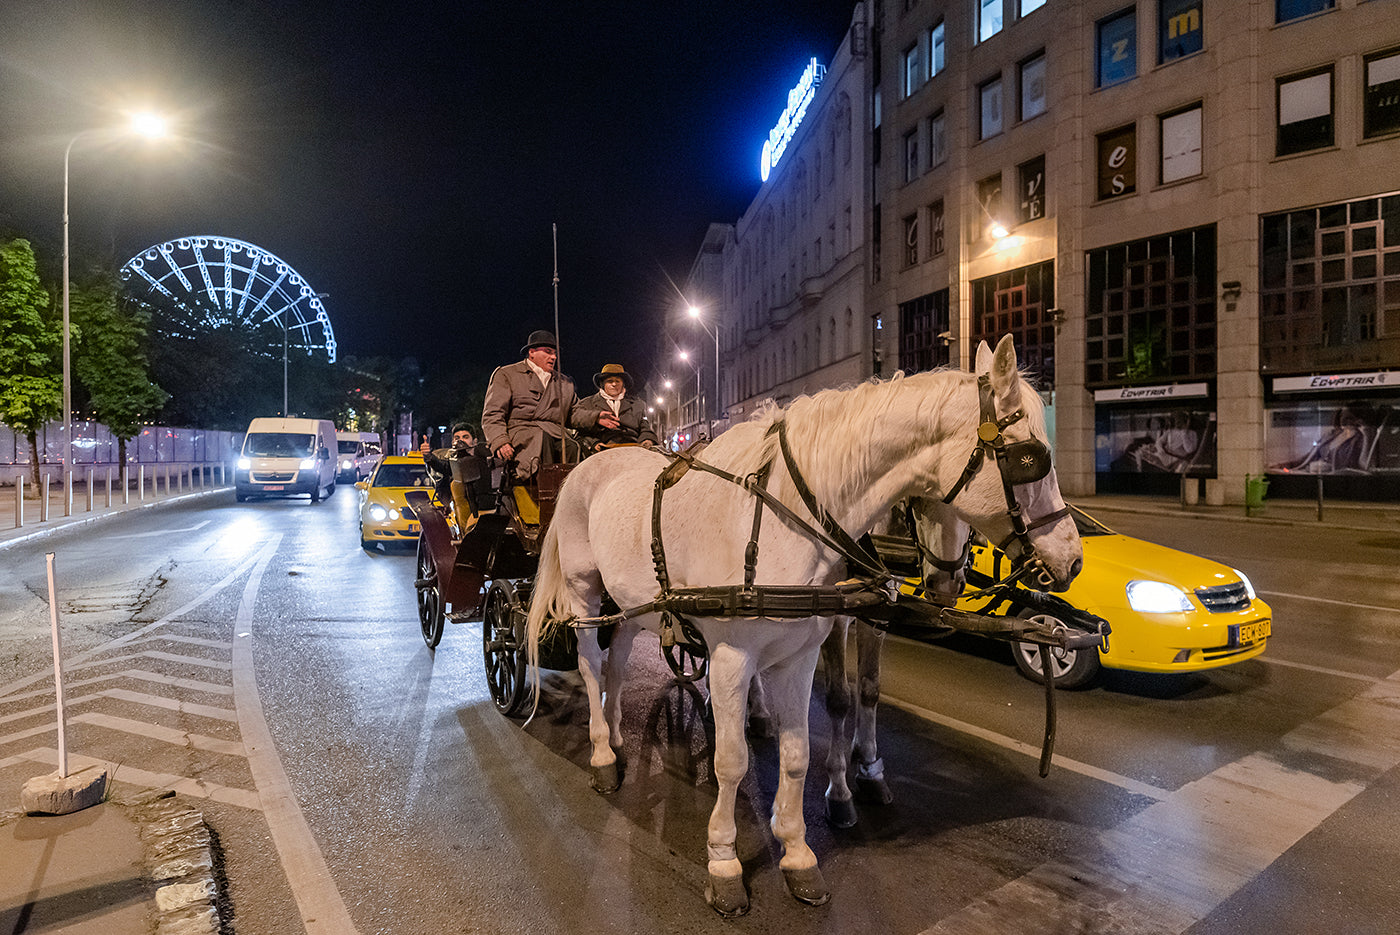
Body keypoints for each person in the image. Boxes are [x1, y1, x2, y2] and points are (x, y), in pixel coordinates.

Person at [480, 329, 618, 480]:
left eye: (555, 353)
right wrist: (500, 441)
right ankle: (545, 494)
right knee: (542, 440)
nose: (553, 357)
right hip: (521, 434)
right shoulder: (507, 374)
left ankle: (573, 495)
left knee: (573, 447)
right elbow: (493, 414)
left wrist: (596, 417)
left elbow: (573, 413)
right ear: (531, 352)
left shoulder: (565, 382)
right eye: (548, 352)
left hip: (556, 433)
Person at [574, 363, 658, 454]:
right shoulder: (587, 404)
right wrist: (594, 443)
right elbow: (581, 433)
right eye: (610, 381)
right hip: (601, 450)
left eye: (617, 381)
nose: (614, 384)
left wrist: (647, 440)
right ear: (602, 384)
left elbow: (645, 428)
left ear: (623, 384)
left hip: (633, 449)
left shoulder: (637, 404)